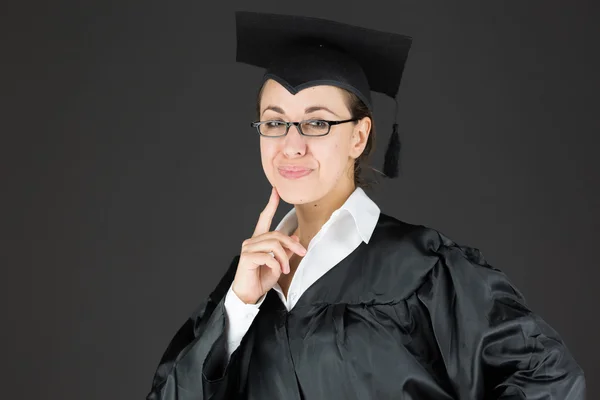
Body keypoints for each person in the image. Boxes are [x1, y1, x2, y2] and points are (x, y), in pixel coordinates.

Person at [146, 11, 585, 400]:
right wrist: (239, 307)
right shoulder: (245, 282)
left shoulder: (424, 269)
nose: (291, 145)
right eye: (275, 122)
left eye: (317, 122)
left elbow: (548, 377)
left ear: (358, 136)